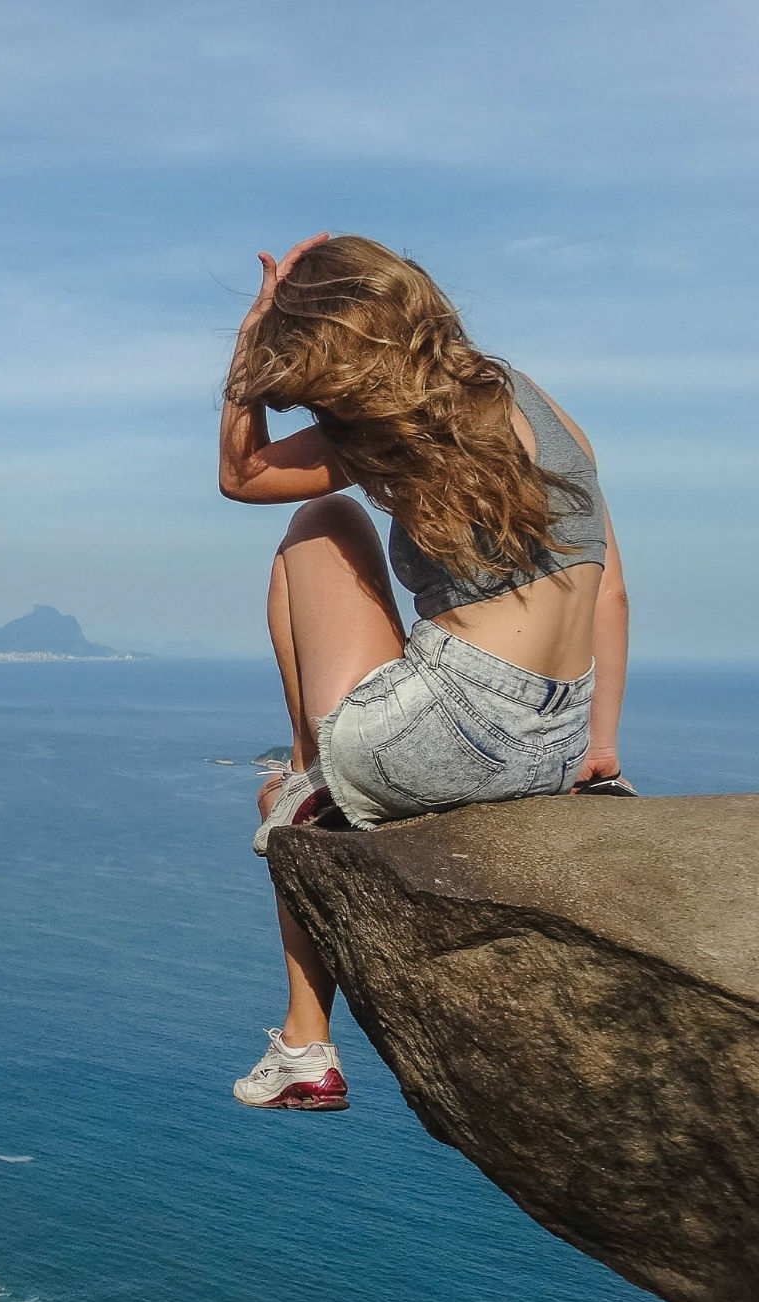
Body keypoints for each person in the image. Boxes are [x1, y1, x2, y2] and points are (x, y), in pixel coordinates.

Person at [217, 232, 632, 1111]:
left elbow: (241, 474)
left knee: (319, 525)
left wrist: (252, 335)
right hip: (558, 738)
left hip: (452, 725)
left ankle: (305, 1036)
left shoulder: (386, 431)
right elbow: (612, 596)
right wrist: (598, 751)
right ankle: (317, 780)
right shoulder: (535, 402)